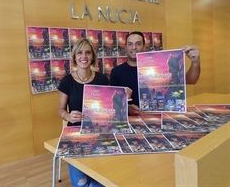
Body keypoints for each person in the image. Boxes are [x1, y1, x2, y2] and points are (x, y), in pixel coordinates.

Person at [110, 31, 201, 115]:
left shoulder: (158, 66)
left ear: (144, 46)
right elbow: (112, 104)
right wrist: (127, 108)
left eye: (138, 44)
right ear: (125, 47)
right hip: (134, 121)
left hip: (160, 115)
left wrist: (195, 62)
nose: (134, 47)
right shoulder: (116, 72)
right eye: (130, 44)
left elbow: (191, 80)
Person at [57, 38, 108, 187]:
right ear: (74, 57)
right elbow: (60, 109)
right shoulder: (67, 81)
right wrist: (68, 115)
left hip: (99, 132)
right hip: (75, 135)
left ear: (93, 57)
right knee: (81, 183)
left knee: (102, 181)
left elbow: (108, 106)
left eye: (87, 53)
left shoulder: (102, 79)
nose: (83, 57)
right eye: (79, 53)